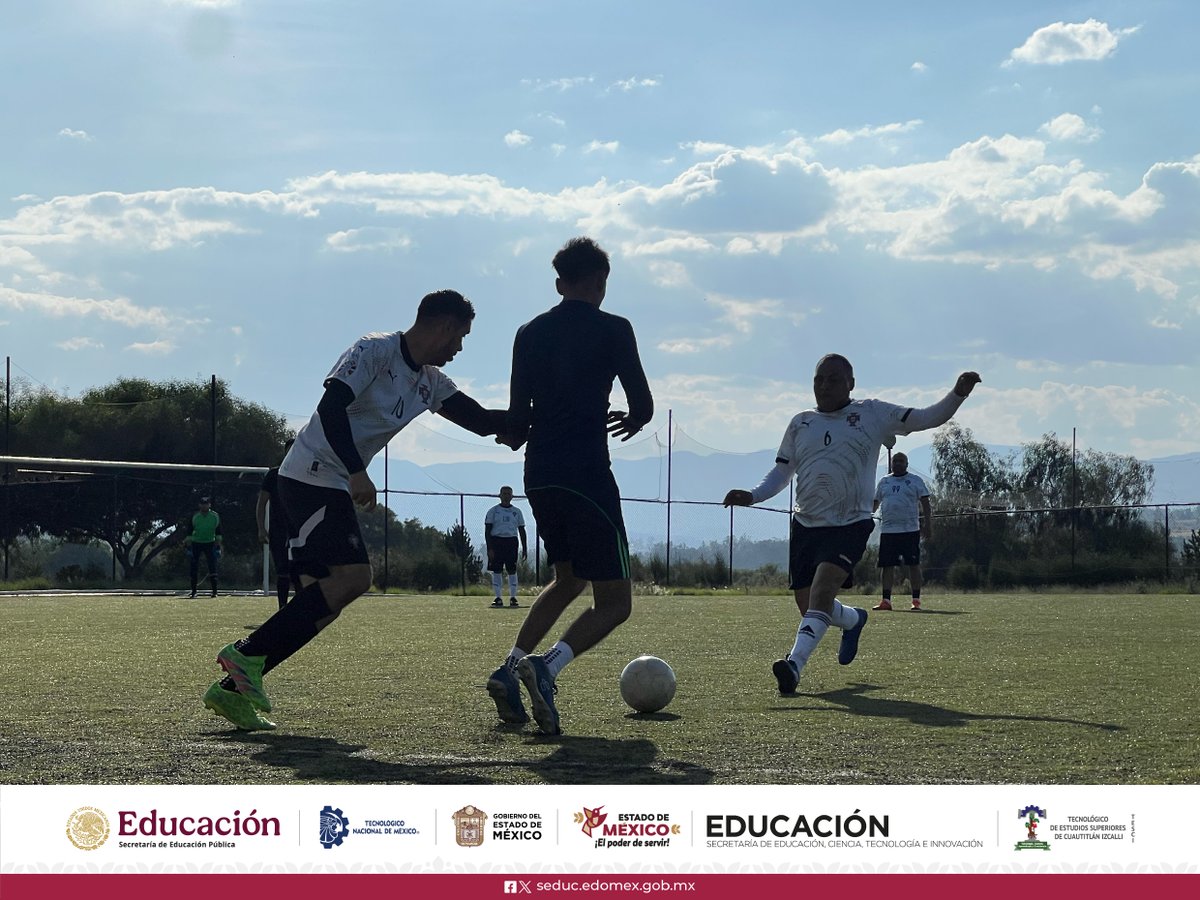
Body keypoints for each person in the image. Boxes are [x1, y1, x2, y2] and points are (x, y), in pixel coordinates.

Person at [203, 289, 508, 731]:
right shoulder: (374, 350)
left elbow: (482, 422)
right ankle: (244, 654)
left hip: (330, 482)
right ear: (443, 325)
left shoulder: (431, 381)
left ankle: (230, 690)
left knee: (322, 604)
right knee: (354, 578)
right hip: (310, 474)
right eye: (459, 336)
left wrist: (543, 421)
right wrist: (356, 471)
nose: (458, 348)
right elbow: (330, 407)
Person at [723, 355, 980, 695]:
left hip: (850, 523)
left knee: (820, 594)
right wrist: (753, 495)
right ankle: (855, 619)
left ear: (850, 383)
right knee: (812, 607)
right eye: (819, 379)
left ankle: (793, 666)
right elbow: (783, 472)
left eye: (832, 379)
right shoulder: (800, 422)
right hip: (805, 524)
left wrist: (957, 394)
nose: (824, 386)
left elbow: (924, 418)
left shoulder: (872, 413)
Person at [486, 237, 653, 735]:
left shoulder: (529, 331)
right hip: (587, 475)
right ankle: (545, 666)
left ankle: (508, 667)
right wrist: (632, 420)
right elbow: (641, 404)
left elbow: (517, 419)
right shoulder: (615, 329)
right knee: (615, 603)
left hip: (539, 475)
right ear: (602, 282)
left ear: (560, 283)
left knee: (568, 579)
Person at [872, 451, 931, 611]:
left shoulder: (914, 481)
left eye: (901, 461)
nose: (897, 463)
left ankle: (916, 600)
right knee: (887, 565)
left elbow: (925, 502)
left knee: (913, 564)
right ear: (891, 464)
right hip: (888, 531)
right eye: (895, 461)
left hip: (910, 530)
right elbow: (875, 503)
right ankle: (886, 600)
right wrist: (864, 516)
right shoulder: (884, 481)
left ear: (906, 463)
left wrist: (927, 524)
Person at [256, 439, 295, 610]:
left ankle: (302, 611)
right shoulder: (273, 475)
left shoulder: (307, 474)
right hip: (278, 530)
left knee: (300, 571)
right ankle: (282, 608)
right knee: (282, 571)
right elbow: (262, 502)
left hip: (299, 530)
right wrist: (261, 528)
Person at [484, 485, 528, 608]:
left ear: (512, 496)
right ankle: (498, 598)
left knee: (512, 570)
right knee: (497, 570)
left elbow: (522, 530)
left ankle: (513, 598)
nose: (506, 496)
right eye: (504, 494)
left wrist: (524, 548)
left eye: (508, 494)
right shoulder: (493, 511)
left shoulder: (517, 512)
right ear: (500, 495)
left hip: (511, 542)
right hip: (497, 542)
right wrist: (489, 548)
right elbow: (488, 530)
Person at [184, 496, 222, 599]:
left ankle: (214, 592)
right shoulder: (195, 516)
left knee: (212, 567)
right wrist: (188, 547)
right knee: (194, 567)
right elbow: (189, 533)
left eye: (206, 503)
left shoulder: (215, 516)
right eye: (202, 503)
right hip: (196, 543)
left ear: (209, 505)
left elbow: (218, 533)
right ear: (199, 505)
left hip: (210, 543)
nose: (204, 505)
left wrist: (218, 547)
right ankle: (194, 592)